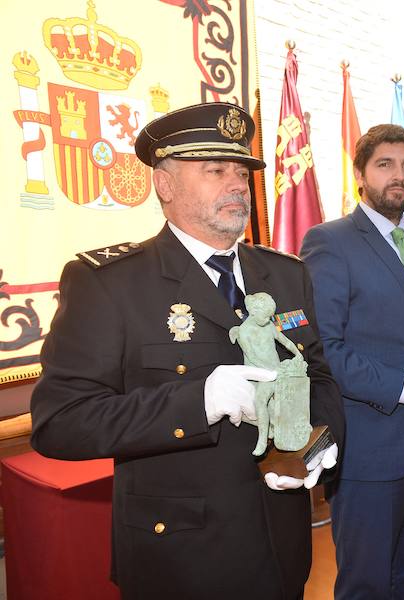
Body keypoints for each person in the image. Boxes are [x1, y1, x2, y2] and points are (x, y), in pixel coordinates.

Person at [29, 102, 345, 599]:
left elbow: (320, 376)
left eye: (241, 171)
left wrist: (320, 446)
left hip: (281, 546)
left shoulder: (285, 274)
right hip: (181, 559)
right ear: (165, 184)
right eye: (215, 170)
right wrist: (201, 402)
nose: (237, 184)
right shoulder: (110, 283)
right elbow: (61, 423)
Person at [300, 124, 404, 599]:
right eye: (385, 165)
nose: (398, 176)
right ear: (360, 173)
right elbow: (326, 350)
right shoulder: (330, 241)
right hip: (369, 447)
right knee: (368, 582)